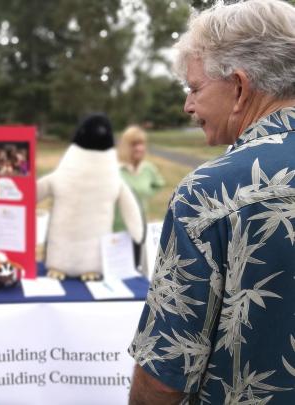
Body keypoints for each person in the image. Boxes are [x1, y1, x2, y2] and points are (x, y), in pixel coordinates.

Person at [128, 1, 295, 404]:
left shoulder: (210, 194)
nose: (188, 106)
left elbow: (164, 375)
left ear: (239, 87)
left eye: (194, 88)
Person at [113, 125, 165, 270]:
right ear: (125, 146)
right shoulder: (115, 170)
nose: (140, 148)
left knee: (137, 270)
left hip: (139, 231)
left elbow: (158, 184)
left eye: (142, 144)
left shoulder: (148, 169)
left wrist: (146, 193)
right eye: (135, 144)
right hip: (116, 232)